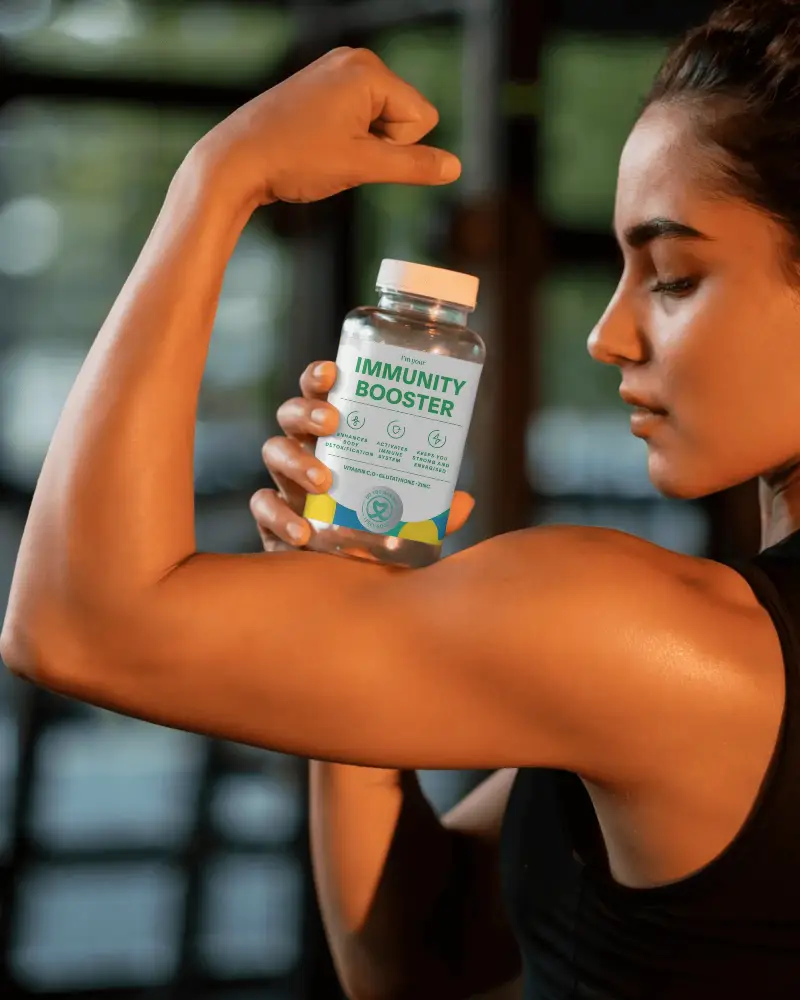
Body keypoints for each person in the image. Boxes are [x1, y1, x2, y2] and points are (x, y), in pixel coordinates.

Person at [4, 0, 800, 994]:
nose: (606, 334)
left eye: (672, 276)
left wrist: (217, 180)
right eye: (621, 269)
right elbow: (419, 960)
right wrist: (355, 590)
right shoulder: (676, 663)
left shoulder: (666, 643)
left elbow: (75, 624)